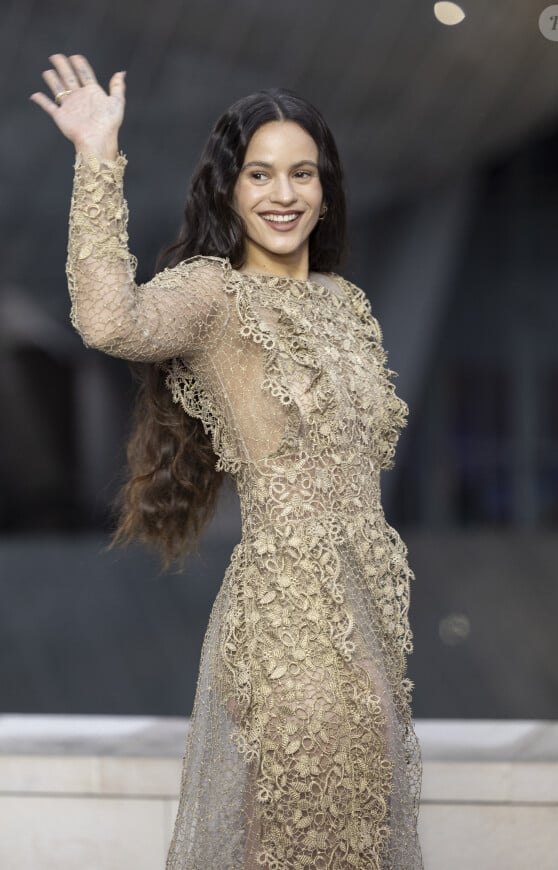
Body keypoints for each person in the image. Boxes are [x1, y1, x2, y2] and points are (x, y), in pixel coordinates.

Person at [31, 54, 423, 869]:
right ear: (229, 190)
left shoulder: (345, 304)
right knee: (299, 840)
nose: (284, 194)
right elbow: (112, 321)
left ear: (326, 186)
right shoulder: (214, 296)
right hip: (289, 620)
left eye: (303, 173)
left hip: (373, 616)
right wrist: (98, 154)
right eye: (260, 174)